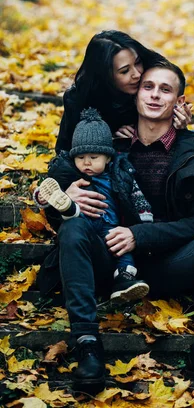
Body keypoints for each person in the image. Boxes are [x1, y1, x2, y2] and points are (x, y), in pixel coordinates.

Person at [42, 60, 194, 393]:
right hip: (108, 260)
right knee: (73, 228)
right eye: (148, 87)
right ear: (136, 94)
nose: (154, 95)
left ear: (180, 102)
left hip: (169, 262)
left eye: (165, 90)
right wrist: (60, 194)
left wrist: (140, 235)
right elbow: (58, 198)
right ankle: (87, 344)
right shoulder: (108, 145)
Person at [36, 108, 152, 303]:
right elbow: (49, 188)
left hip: (111, 227)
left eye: (94, 158)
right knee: (71, 217)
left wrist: (145, 219)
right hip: (83, 224)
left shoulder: (121, 174)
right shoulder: (71, 174)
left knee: (122, 251)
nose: (86, 163)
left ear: (108, 158)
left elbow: (137, 197)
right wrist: (46, 196)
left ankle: (124, 280)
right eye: (80, 158)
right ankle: (67, 207)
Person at [55, 30, 192, 155]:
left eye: (137, 62)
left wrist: (178, 126)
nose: (137, 74)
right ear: (105, 76)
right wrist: (107, 137)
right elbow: (65, 149)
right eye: (125, 71)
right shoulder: (79, 98)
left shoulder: (148, 78)